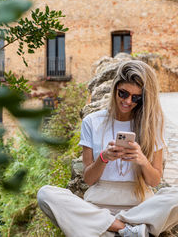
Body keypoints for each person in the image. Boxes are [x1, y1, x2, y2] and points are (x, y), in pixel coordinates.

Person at [37, 60, 178, 237]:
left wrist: (142, 160)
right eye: (123, 93)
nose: (128, 101)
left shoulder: (152, 124)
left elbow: (155, 181)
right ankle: (125, 229)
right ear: (115, 88)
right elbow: (88, 179)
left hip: (140, 207)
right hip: (98, 205)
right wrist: (103, 157)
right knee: (45, 194)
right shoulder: (92, 121)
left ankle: (113, 227)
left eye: (136, 98)